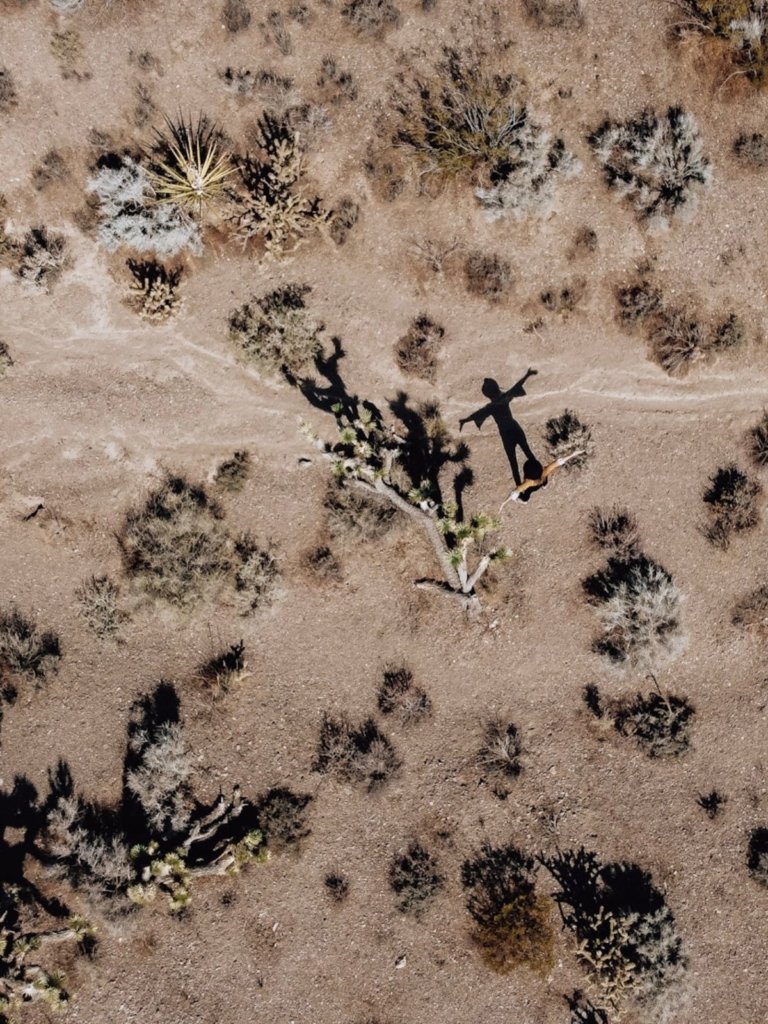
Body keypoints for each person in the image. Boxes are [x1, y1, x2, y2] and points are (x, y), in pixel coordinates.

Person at [499, 450, 586, 512]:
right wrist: (573, 454)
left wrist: (504, 503)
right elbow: (559, 462)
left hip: (533, 486)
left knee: (526, 496)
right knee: (544, 479)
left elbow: (515, 493)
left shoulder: (528, 483)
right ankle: (544, 486)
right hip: (542, 480)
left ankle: (523, 501)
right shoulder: (544, 472)